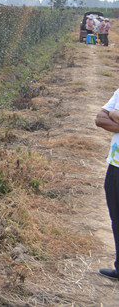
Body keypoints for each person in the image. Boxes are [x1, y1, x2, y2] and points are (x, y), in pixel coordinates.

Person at [95, 95, 119, 279]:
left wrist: (116, 115)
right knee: (116, 218)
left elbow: (111, 116)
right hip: (116, 165)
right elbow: (101, 119)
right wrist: (112, 113)